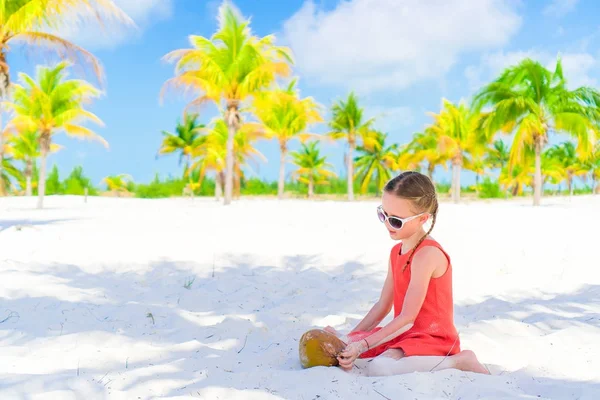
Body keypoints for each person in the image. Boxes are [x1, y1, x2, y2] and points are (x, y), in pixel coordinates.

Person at [326, 171, 489, 376]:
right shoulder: (396, 252)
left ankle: (458, 361)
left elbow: (408, 317)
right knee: (351, 348)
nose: (387, 224)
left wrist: (362, 345)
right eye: (382, 215)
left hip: (432, 337)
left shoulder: (427, 254)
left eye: (395, 221)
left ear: (422, 218)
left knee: (379, 368)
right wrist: (350, 339)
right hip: (405, 335)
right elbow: (383, 306)